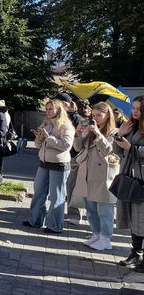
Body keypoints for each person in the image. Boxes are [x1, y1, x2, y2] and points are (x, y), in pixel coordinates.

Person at [71, 102, 119, 251]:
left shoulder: (114, 132)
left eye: (99, 115)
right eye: (94, 115)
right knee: (90, 208)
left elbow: (109, 150)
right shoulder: (89, 130)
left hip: (103, 174)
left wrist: (97, 133)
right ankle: (96, 234)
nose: (95, 118)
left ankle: (106, 238)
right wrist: (78, 134)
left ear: (108, 115)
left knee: (104, 208)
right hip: (87, 172)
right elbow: (78, 148)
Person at [23, 99, 74, 234]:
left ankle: (55, 225)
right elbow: (39, 146)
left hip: (59, 164)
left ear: (58, 110)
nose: (48, 111)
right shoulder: (45, 123)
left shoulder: (66, 126)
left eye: (51, 109)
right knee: (39, 192)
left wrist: (48, 137)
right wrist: (39, 139)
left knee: (56, 196)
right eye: (47, 109)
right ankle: (35, 220)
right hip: (44, 162)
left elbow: (66, 146)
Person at [115, 96, 144, 269]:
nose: (135, 111)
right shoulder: (130, 126)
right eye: (133, 108)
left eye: (139, 109)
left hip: (141, 179)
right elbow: (116, 149)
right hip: (129, 177)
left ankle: (139, 255)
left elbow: (131, 149)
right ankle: (135, 253)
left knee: (142, 218)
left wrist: (131, 148)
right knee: (134, 217)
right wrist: (120, 134)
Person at [57, 92, 85, 225]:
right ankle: (66, 212)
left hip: (73, 156)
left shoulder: (76, 118)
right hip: (59, 156)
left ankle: (74, 214)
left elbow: (79, 138)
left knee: (71, 185)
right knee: (62, 185)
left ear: (66, 104)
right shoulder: (57, 116)